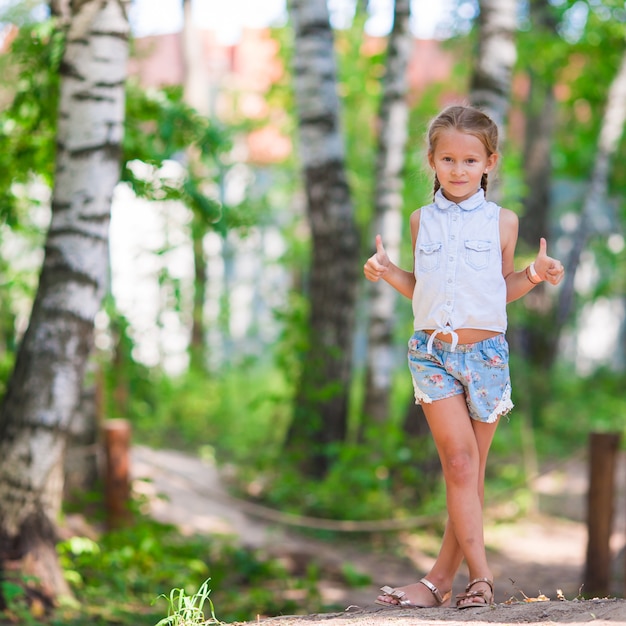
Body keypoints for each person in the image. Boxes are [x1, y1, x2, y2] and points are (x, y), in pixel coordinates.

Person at [363, 105, 564, 609]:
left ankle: (437, 582)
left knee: (469, 475)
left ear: (489, 163)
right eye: (447, 158)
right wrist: (387, 271)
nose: (458, 169)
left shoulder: (503, 222)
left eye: (469, 160)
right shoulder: (420, 221)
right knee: (456, 463)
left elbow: (501, 289)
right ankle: (482, 578)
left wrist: (535, 274)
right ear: (432, 161)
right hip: (432, 355)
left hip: (487, 357)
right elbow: (420, 289)